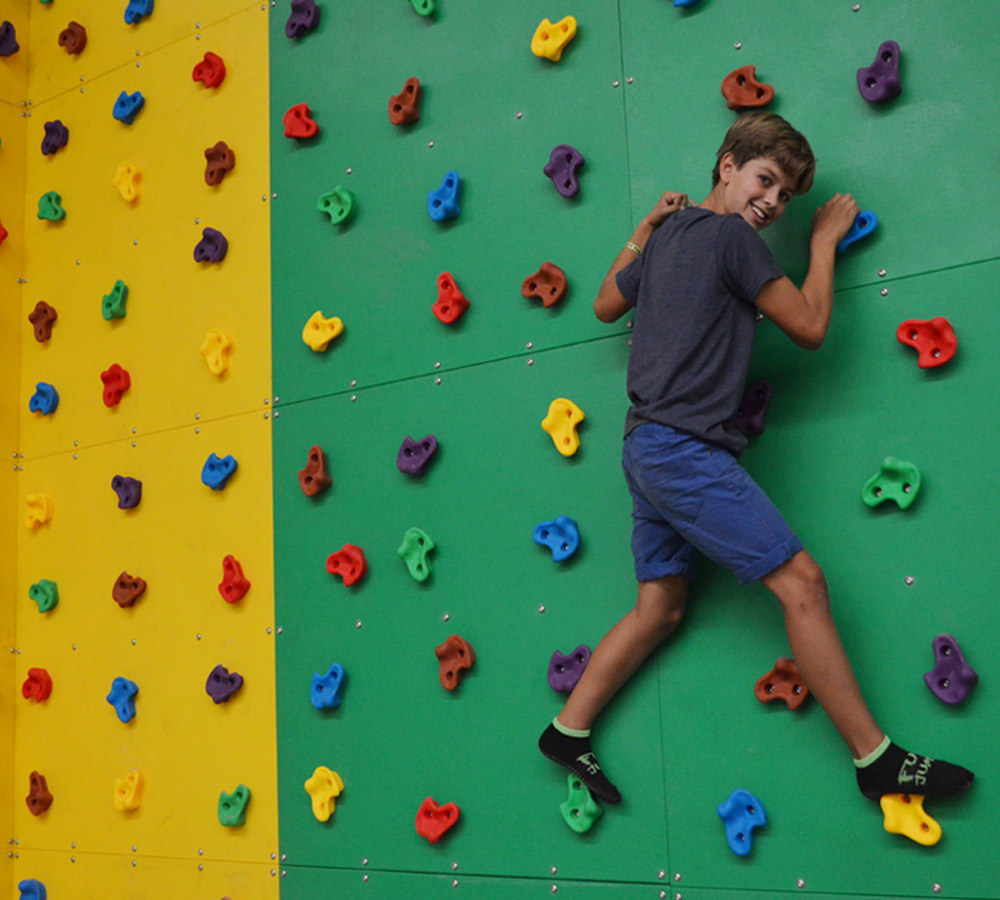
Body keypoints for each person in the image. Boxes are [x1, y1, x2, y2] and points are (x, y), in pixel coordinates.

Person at [537, 111, 974, 806]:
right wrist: (823, 242)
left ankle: (568, 728)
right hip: (679, 449)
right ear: (727, 165)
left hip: (643, 446)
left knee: (660, 606)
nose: (771, 203)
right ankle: (875, 761)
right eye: (765, 180)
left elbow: (601, 303)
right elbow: (808, 326)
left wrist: (645, 226)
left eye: (786, 199)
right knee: (803, 583)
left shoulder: (671, 234)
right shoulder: (734, 241)